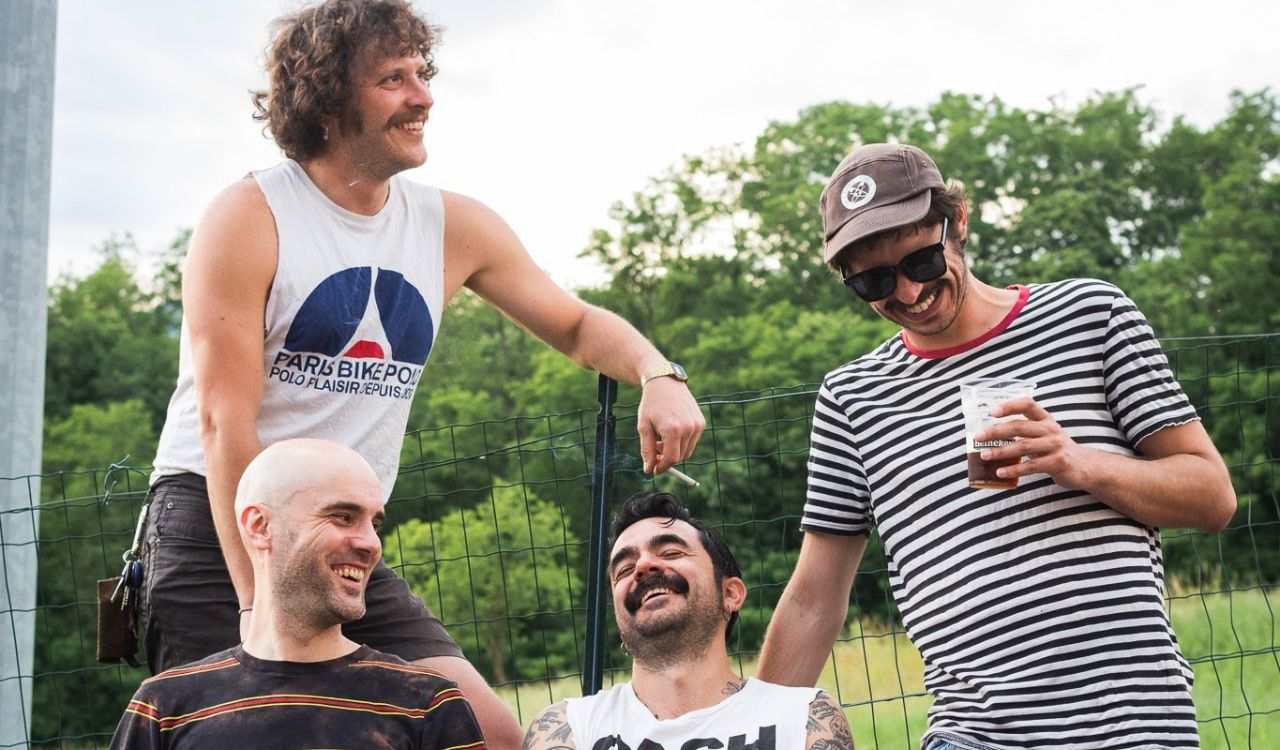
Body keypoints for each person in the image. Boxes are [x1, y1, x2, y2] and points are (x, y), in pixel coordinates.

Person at [141, 1, 704, 746]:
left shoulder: (451, 224)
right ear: (329, 103)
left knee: (487, 733)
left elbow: (574, 324)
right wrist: (259, 607)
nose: (423, 96)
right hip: (222, 527)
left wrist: (655, 371)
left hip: (344, 532)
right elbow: (223, 425)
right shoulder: (248, 217)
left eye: (421, 74)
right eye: (393, 79)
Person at [756, 143, 1237, 749]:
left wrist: (1079, 461)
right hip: (973, 735)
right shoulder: (853, 398)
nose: (906, 294)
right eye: (874, 281)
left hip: (1134, 726)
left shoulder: (1091, 317)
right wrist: (750, 731)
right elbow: (813, 599)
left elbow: (1213, 497)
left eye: (922, 262)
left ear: (958, 220)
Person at [111, 439, 486, 749]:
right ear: (260, 526)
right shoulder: (165, 709)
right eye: (343, 517)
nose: (371, 544)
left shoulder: (425, 704)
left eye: (374, 523)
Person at [523, 492, 853, 750]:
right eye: (624, 570)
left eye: (670, 553)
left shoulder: (805, 716)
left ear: (731, 594)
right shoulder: (566, 728)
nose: (643, 567)